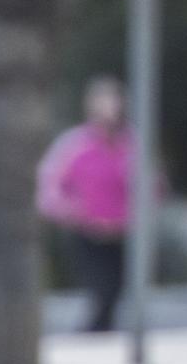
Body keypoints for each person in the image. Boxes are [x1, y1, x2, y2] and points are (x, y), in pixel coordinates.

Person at [37, 77, 137, 332]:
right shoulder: (75, 144)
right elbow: (50, 184)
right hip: (87, 231)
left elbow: (151, 186)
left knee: (116, 289)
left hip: (121, 232)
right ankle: (93, 334)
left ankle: (101, 334)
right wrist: (70, 212)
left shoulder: (131, 144)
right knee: (101, 288)